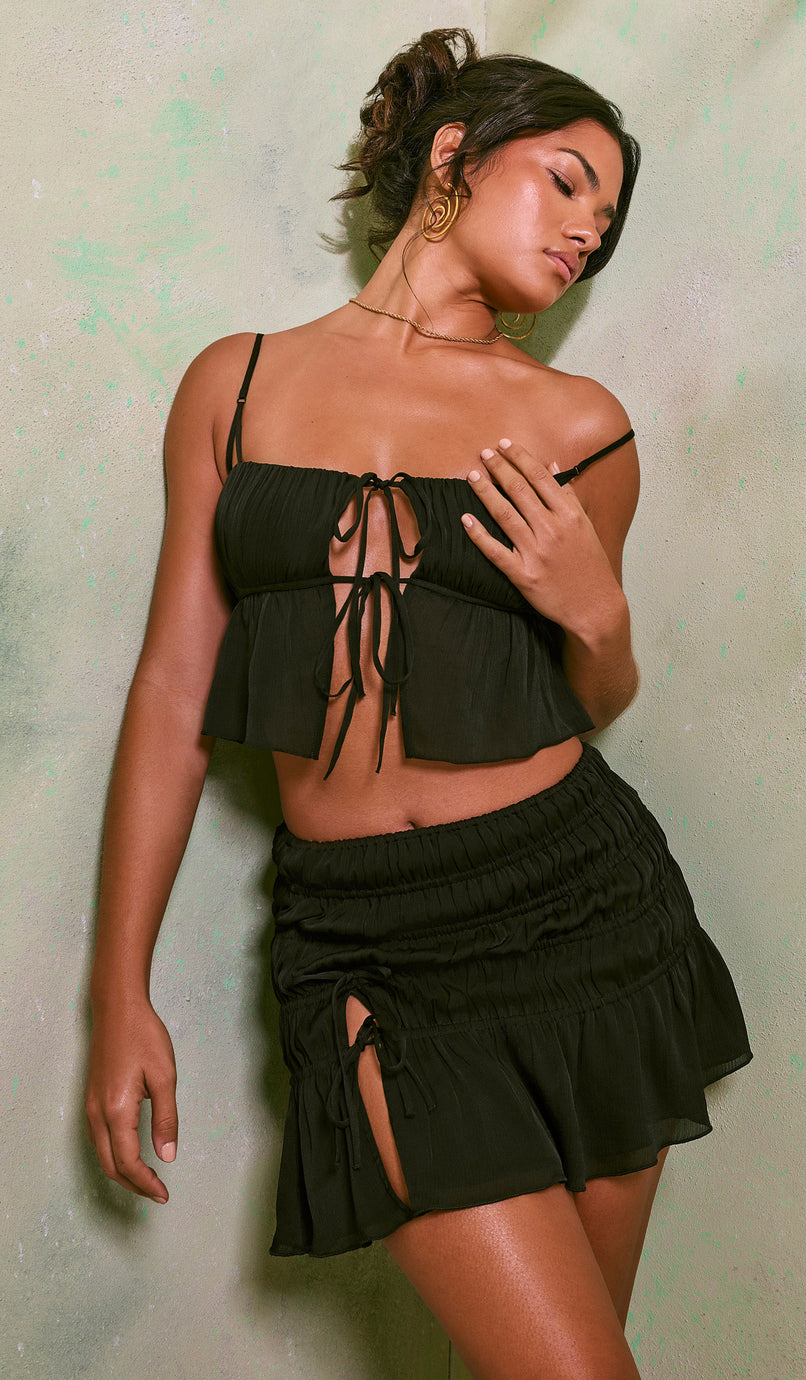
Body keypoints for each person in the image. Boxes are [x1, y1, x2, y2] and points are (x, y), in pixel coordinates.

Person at [85, 28, 752, 1379]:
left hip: (584, 911)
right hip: (370, 945)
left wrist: (597, 612)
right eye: (566, 181)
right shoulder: (237, 384)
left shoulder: (580, 425)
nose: (588, 231)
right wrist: (118, 989)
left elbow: (595, 695)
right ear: (455, 153)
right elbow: (170, 690)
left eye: (607, 221)